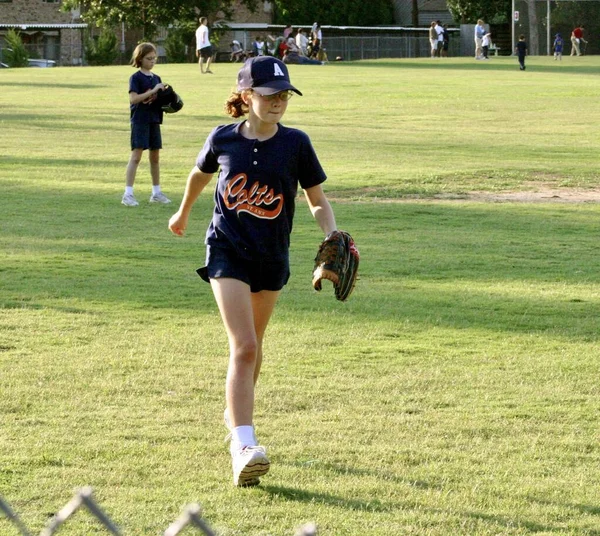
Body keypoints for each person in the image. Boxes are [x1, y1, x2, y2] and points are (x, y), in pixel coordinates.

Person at [167, 56, 339, 487]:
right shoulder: (223, 138)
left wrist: (331, 234)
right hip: (227, 249)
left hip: (271, 255)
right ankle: (243, 445)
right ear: (246, 96)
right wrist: (183, 211)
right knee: (243, 345)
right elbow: (198, 175)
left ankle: (235, 415)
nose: (278, 101)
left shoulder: (296, 143)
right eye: (268, 94)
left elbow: (317, 199)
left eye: (283, 94)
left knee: (255, 345)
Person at [122, 42, 170, 207]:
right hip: (140, 120)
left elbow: (160, 101)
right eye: (149, 58)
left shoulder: (156, 78)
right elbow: (134, 99)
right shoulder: (135, 78)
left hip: (154, 120)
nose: (152, 61)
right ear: (140, 59)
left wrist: (169, 99)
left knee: (155, 158)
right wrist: (153, 90)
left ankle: (156, 192)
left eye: (154, 58)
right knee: (136, 156)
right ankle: (128, 194)